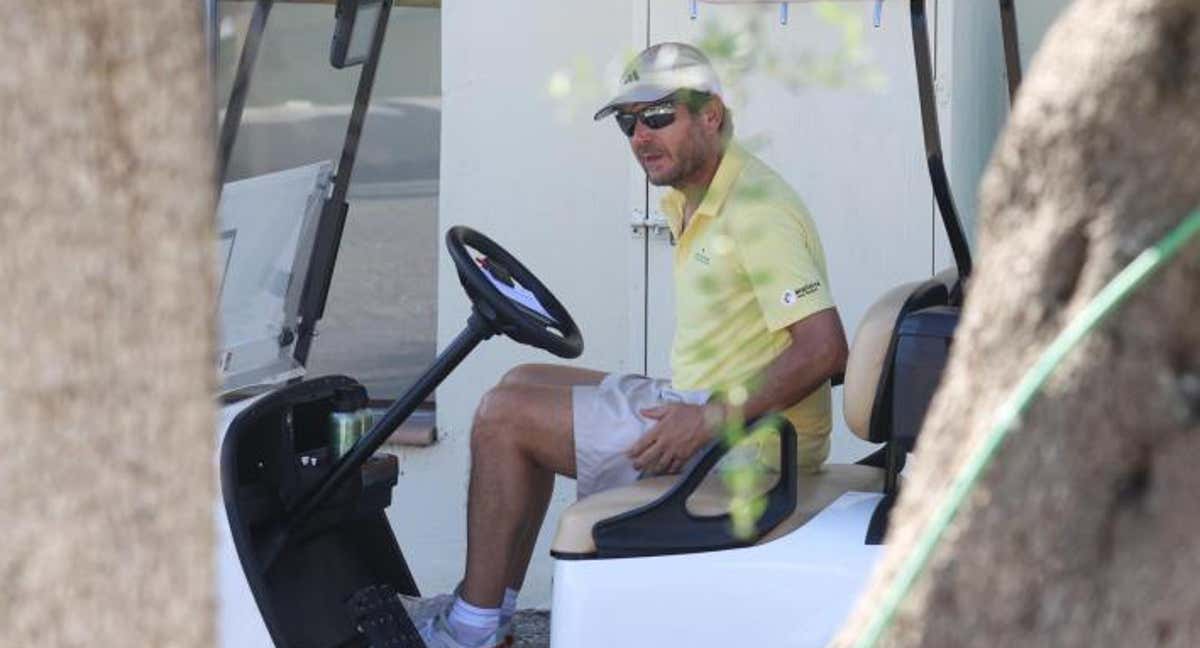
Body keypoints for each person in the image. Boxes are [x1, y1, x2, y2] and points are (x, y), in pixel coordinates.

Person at [408, 42, 849, 648]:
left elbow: (825, 349)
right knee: (521, 383)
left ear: (712, 115)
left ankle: (472, 628)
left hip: (749, 446)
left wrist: (708, 419)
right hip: (711, 407)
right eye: (628, 122)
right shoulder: (693, 193)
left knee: (501, 419)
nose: (642, 136)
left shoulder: (755, 211)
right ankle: (497, 616)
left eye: (660, 116)